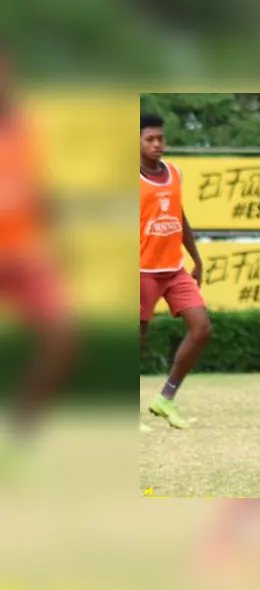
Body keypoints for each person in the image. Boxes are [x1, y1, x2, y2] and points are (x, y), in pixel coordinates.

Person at [0, 52, 75, 449]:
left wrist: (58, 241)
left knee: (62, 336)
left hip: (25, 256)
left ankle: (21, 432)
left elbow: (38, 189)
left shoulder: (25, 127)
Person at [140, 113, 212, 430]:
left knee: (202, 328)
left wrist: (195, 258)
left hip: (174, 270)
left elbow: (180, 218)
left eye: (160, 138)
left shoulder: (175, 173)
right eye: (150, 139)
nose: (157, 144)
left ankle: (166, 398)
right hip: (140, 270)